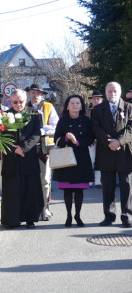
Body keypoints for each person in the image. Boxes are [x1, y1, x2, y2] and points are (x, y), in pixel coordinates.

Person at [1, 89, 44, 229]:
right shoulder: (5, 115)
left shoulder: (33, 113)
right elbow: (0, 135)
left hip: (28, 155)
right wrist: (14, 148)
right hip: (11, 157)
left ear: (25, 100)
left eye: (21, 101)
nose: (19, 104)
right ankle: (12, 220)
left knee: (29, 189)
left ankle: (30, 219)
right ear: (10, 101)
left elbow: (36, 133)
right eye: (15, 102)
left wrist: (23, 148)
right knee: (12, 189)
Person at [91, 81, 132, 227]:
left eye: (115, 91)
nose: (112, 93)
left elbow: (131, 128)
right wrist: (109, 141)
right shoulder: (97, 110)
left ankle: (127, 215)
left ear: (120, 92)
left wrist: (119, 142)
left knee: (127, 184)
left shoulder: (129, 108)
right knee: (107, 185)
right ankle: (109, 216)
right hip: (106, 150)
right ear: (106, 92)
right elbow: (96, 128)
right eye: (109, 91)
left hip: (125, 151)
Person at [53, 95, 94, 227]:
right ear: (67, 106)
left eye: (78, 103)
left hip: (81, 157)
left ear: (82, 106)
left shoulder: (87, 121)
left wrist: (77, 142)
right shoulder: (63, 120)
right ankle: (69, 215)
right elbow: (56, 139)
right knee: (68, 190)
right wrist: (66, 139)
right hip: (66, 158)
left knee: (79, 190)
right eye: (72, 103)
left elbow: (91, 139)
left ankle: (78, 215)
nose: (75, 105)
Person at [26, 83, 58, 221]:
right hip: (28, 148)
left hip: (44, 148)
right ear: (29, 94)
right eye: (33, 93)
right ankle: (32, 208)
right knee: (30, 180)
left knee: (45, 179)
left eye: (38, 93)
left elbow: (55, 126)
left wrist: (40, 131)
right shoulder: (24, 107)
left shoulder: (48, 107)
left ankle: (45, 207)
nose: (35, 95)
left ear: (42, 95)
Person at [87, 90, 104, 188]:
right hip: (91, 140)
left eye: (98, 98)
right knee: (91, 160)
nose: (96, 100)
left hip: (101, 140)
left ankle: (98, 181)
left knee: (99, 161)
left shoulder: (105, 111)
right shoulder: (89, 111)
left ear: (101, 100)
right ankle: (89, 180)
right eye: (94, 99)